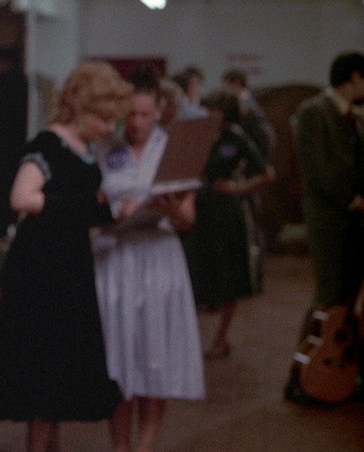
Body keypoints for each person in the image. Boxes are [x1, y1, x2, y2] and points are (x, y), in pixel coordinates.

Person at [0, 60, 132, 452]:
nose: (109, 128)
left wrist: (113, 213)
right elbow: (22, 197)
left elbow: (78, 209)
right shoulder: (48, 144)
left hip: (70, 261)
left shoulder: (85, 149)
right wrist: (91, 207)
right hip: (42, 265)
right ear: (80, 108)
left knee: (62, 362)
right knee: (45, 365)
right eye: (103, 118)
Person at [91, 66, 205, 452]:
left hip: (159, 256)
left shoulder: (175, 149)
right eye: (131, 115)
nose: (137, 123)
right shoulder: (105, 148)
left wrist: (170, 207)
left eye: (145, 114)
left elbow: (187, 219)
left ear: (159, 111)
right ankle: (120, 447)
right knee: (119, 358)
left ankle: (146, 446)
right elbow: (92, 209)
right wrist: (113, 212)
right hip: (117, 256)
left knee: (156, 355)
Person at [285, 51, 364, 404]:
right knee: (329, 294)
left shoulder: (353, 116)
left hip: (353, 218)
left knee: (348, 295)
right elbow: (317, 170)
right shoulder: (313, 112)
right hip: (329, 217)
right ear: (355, 77)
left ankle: (341, 372)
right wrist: (352, 198)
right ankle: (302, 376)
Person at [183, 89, 276, 359]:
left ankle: (221, 337)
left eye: (217, 113)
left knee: (229, 276)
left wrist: (238, 188)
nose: (211, 117)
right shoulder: (196, 135)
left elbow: (266, 173)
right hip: (199, 209)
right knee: (198, 272)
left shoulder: (236, 137)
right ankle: (191, 339)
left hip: (226, 212)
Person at [221, 67, 277, 293]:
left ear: (236, 83)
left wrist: (250, 166)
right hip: (247, 170)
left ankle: (254, 275)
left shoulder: (246, 108)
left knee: (251, 225)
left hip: (247, 173)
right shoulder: (249, 106)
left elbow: (262, 139)